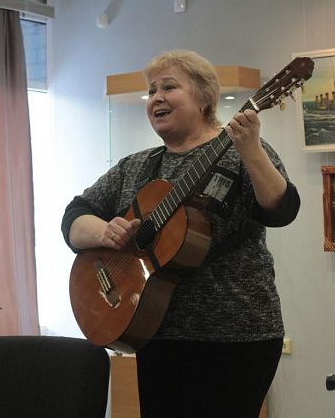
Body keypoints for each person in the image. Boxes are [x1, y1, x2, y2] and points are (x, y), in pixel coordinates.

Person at [61, 49, 300, 418]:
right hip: (153, 331)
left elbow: (282, 210)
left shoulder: (242, 150)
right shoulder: (136, 166)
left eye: (169, 87)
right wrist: (104, 231)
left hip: (236, 336)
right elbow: (75, 217)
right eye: (151, 90)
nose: (156, 97)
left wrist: (251, 150)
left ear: (203, 97)